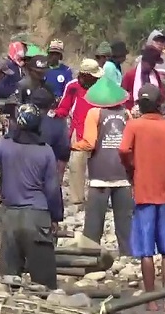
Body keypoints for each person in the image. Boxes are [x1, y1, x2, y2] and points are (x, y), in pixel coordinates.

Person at [0, 103, 63, 289]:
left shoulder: (4, 144)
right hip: (37, 217)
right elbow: (53, 189)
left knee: (9, 281)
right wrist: (55, 217)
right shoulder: (45, 150)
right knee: (44, 284)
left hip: (9, 217)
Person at [119, 83, 165, 314]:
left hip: (144, 193)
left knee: (146, 251)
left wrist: (132, 168)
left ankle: (150, 299)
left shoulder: (134, 125)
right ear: (159, 103)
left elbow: (124, 150)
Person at [74, 77, 132, 255]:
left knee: (94, 221)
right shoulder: (126, 114)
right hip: (123, 173)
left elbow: (90, 143)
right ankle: (128, 253)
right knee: (125, 220)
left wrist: (74, 146)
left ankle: (89, 253)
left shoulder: (94, 113)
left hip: (100, 174)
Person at [55, 58, 103, 205]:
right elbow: (64, 107)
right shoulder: (73, 87)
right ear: (85, 75)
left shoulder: (100, 86)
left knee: (98, 166)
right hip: (79, 131)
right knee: (76, 165)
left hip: (99, 129)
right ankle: (77, 200)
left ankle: (97, 199)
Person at [30, 88, 70, 182]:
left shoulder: (21, 121)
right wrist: (59, 179)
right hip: (47, 175)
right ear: (51, 105)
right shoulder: (58, 124)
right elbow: (64, 154)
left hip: (23, 176)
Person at [122, 46, 165, 111]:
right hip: (134, 110)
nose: (152, 66)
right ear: (144, 61)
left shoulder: (155, 74)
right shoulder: (130, 75)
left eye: (154, 64)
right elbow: (123, 94)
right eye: (150, 63)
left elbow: (161, 91)